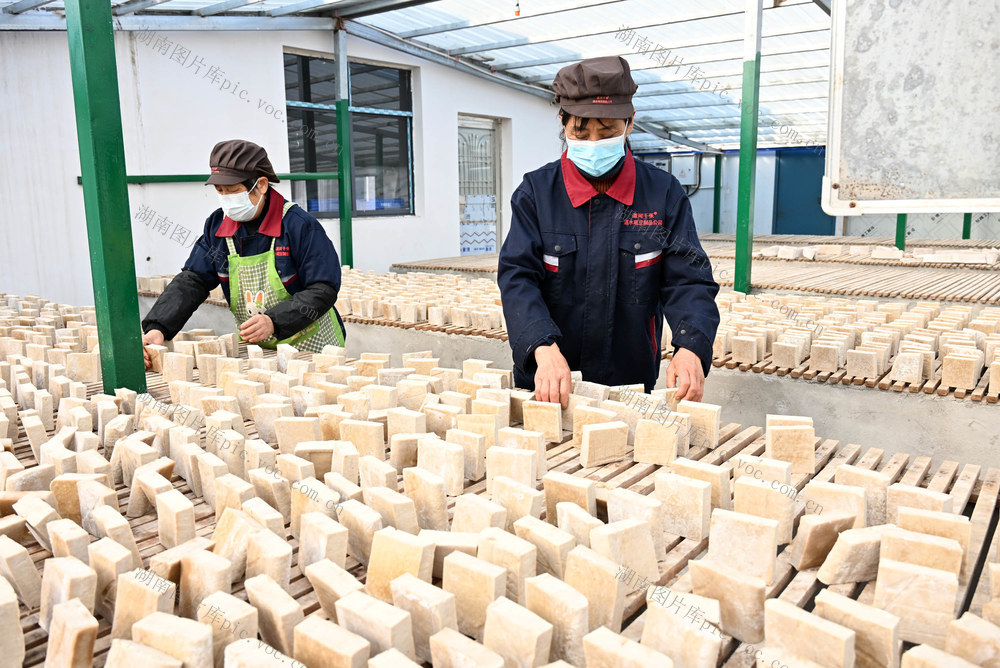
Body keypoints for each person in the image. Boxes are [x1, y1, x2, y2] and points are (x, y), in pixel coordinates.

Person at [497, 56, 720, 408]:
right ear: (563, 123)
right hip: (550, 378)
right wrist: (541, 345)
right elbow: (518, 277)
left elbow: (688, 280)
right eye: (580, 133)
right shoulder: (537, 194)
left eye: (608, 132)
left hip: (628, 381)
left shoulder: (663, 195)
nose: (594, 143)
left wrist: (691, 344)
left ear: (629, 124)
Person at [141, 139, 346, 366]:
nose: (226, 198)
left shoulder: (298, 225)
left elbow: (323, 288)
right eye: (220, 191)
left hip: (310, 345)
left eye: (234, 190)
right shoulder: (218, 226)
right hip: (259, 349)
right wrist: (158, 326)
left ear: (262, 185)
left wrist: (274, 321)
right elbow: (194, 279)